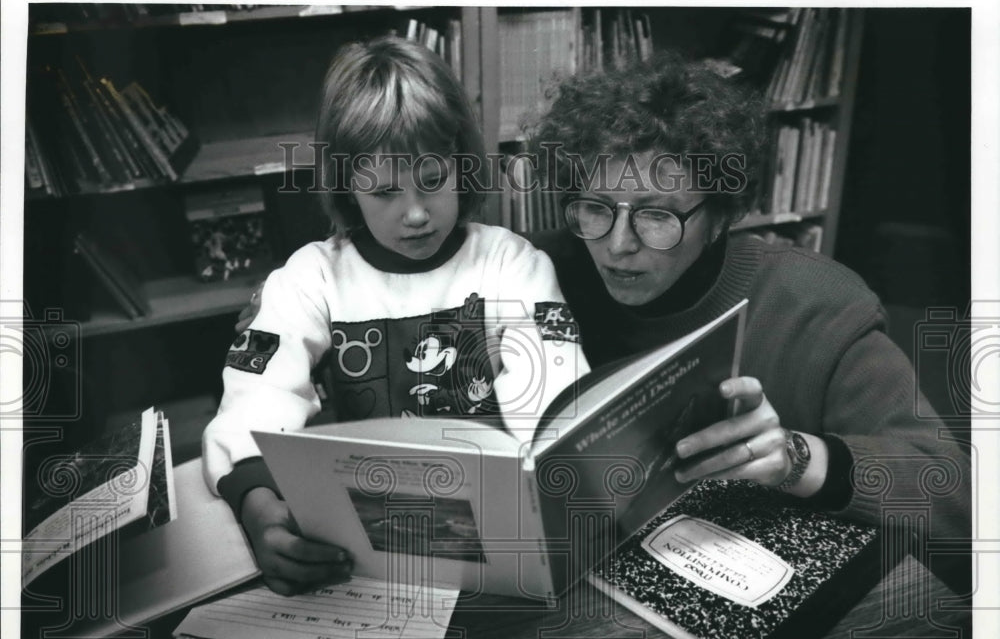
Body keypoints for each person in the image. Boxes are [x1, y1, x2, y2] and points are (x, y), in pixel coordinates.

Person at [237, 50, 969, 589]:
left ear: (719, 216)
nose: (616, 247)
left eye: (656, 216)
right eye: (595, 208)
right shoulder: (546, 265)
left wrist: (802, 458)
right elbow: (271, 361)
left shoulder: (819, 304)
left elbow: (959, 499)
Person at [204, 36, 589, 596]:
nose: (415, 213)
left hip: (495, 542)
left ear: (463, 164)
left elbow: (554, 386)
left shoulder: (511, 263)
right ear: (347, 187)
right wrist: (260, 509)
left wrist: (555, 468)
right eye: (384, 190)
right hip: (368, 548)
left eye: (433, 180)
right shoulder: (310, 278)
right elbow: (254, 401)